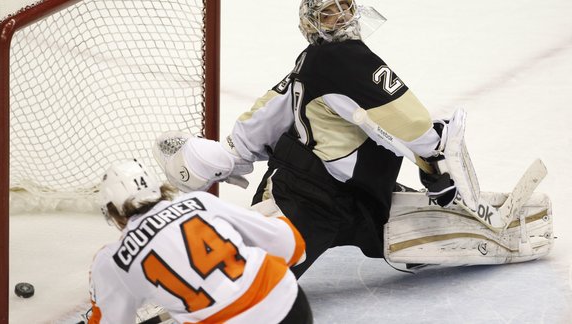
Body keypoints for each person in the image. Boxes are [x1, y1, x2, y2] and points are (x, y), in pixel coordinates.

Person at [155, 0, 457, 278]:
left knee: (254, 273)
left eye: (345, 7)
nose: (340, 17)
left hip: (358, 198)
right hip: (308, 198)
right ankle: (173, 271)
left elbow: (274, 107)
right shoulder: (343, 57)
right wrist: (434, 154)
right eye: (328, 12)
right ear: (312, 24)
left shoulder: (314, 60)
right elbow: (407, 118)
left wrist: (235, 151)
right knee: (244, 276)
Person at [87, 159, 312, 324]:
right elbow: (290, 244)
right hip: (289, 304)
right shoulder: (199, 201)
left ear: (112, 212)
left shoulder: (112, 260)